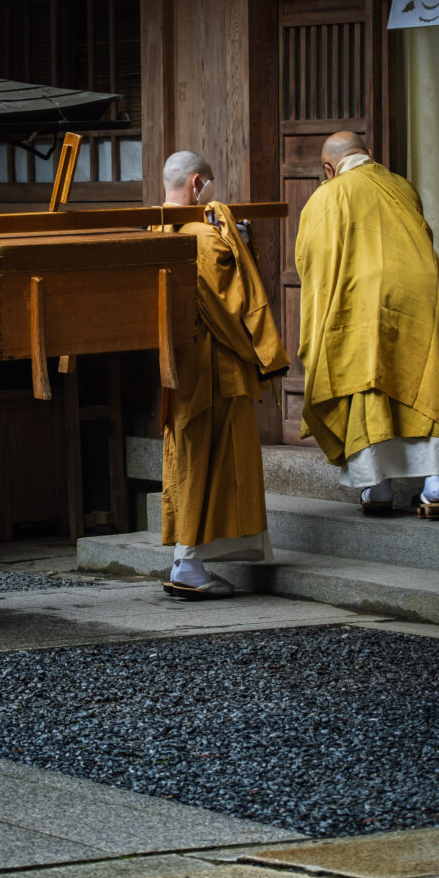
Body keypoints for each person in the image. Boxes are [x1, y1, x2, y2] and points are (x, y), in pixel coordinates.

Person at [295, 131, 439, 517]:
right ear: (369, 155)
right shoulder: (402, 185)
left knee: (367, 381)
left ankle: (379, 489)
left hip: (364, 295)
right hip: (422, 290)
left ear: (328, 168)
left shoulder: (329, 194)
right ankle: (435, 487)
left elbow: (312, 259)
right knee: (425, 376)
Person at [160, 150, 289, 599]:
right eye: (210, 184)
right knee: (210, 459)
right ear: (197, 184)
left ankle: (188, 558)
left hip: (177, 368)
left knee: (193, 456)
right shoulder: (205, 236)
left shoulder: (156, 228)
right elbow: (233, 301)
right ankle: (188, 562)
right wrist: (236, 243)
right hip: (214, 366)